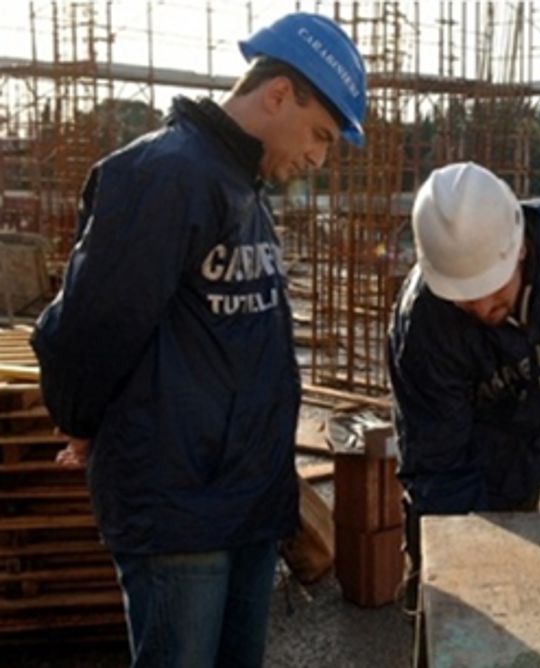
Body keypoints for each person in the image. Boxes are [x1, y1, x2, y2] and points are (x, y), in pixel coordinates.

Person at [31, 13, 366, 667]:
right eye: (321, 135)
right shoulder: (165, 175)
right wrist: (80, 420)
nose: (318, 159)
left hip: (241, 501)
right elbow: (92, 329)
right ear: (278, 95)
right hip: (179, 508)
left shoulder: (238, 186)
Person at [388, 161, 540, 609]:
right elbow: (441, 466)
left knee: (520, 584)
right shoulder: (424, 327)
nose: (483, 309)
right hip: (455, 474)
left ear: (520, 249)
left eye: (495, 292)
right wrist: (469, 570)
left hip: (527, 449)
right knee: (454, 614)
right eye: (466, 300)